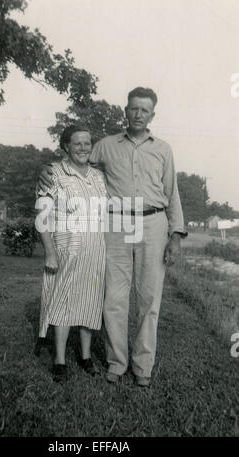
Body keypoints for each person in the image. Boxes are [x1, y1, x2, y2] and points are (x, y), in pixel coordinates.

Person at [39, 87, 187, 387]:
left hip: (153, 223)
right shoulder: (106, 145)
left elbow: (172, 192)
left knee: (149, 300)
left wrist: (176, 235)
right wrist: (48, 168)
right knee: (114, 299)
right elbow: (75, 158)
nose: (138, 114)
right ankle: (117, 363)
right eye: (133, 108)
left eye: (144, 110)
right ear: (126, 110)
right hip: (117, 223)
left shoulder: (163, 149)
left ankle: (142, 366)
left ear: (152, 115)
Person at [35, 125, 107, 383]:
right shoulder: (53, 174)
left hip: (95, 249)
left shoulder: (98, 176)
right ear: (65, 146)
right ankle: (60, 360)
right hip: (66, 247)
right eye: (77, 143)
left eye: (87, 143)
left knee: (90, 302)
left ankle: (86, 356)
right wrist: (49, 253)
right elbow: (43, 218)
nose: (83, 148)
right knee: (63, 302)